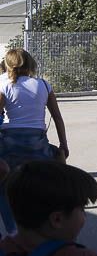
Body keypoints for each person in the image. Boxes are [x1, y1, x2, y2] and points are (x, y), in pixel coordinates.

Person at [0, 48, 70, 237]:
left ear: (8, 64)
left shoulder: (2, 84)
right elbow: (57, 118)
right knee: (50, 182)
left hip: (9, 144)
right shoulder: (44, 85)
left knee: (3, 185)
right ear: (30, 63)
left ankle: (12, 230)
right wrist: (64, 145)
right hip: (37, 145)